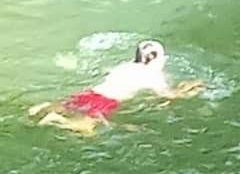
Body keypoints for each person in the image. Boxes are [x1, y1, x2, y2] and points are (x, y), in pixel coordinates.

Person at [28, 40, 203, 135]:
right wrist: (191, 88)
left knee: (69, 106)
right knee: (87, 130)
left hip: (92, 92)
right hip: (107, 101)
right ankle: (56, 119)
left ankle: (45, 107)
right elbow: (169, 95)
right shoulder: (153, 76)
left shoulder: (125, 66)